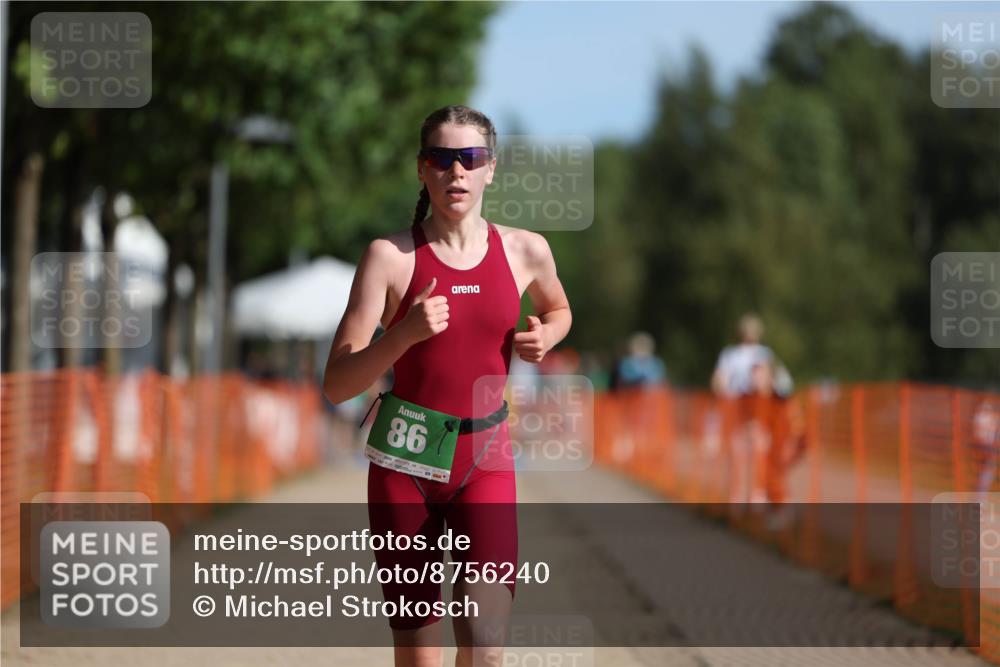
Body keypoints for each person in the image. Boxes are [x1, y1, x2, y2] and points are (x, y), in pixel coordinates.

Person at [323, 104, 571, 667]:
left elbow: (559, 308)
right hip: (403, 465)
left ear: (491, 169)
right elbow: (337, 384)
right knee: (419, 653)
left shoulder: (526, 250)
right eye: (441, 158)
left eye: (470, 158)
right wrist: (401, 335)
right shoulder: (389, 258)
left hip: (485, 455)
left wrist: (547, 336)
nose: (455, 171)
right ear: (421, 168)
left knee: (485, 642)